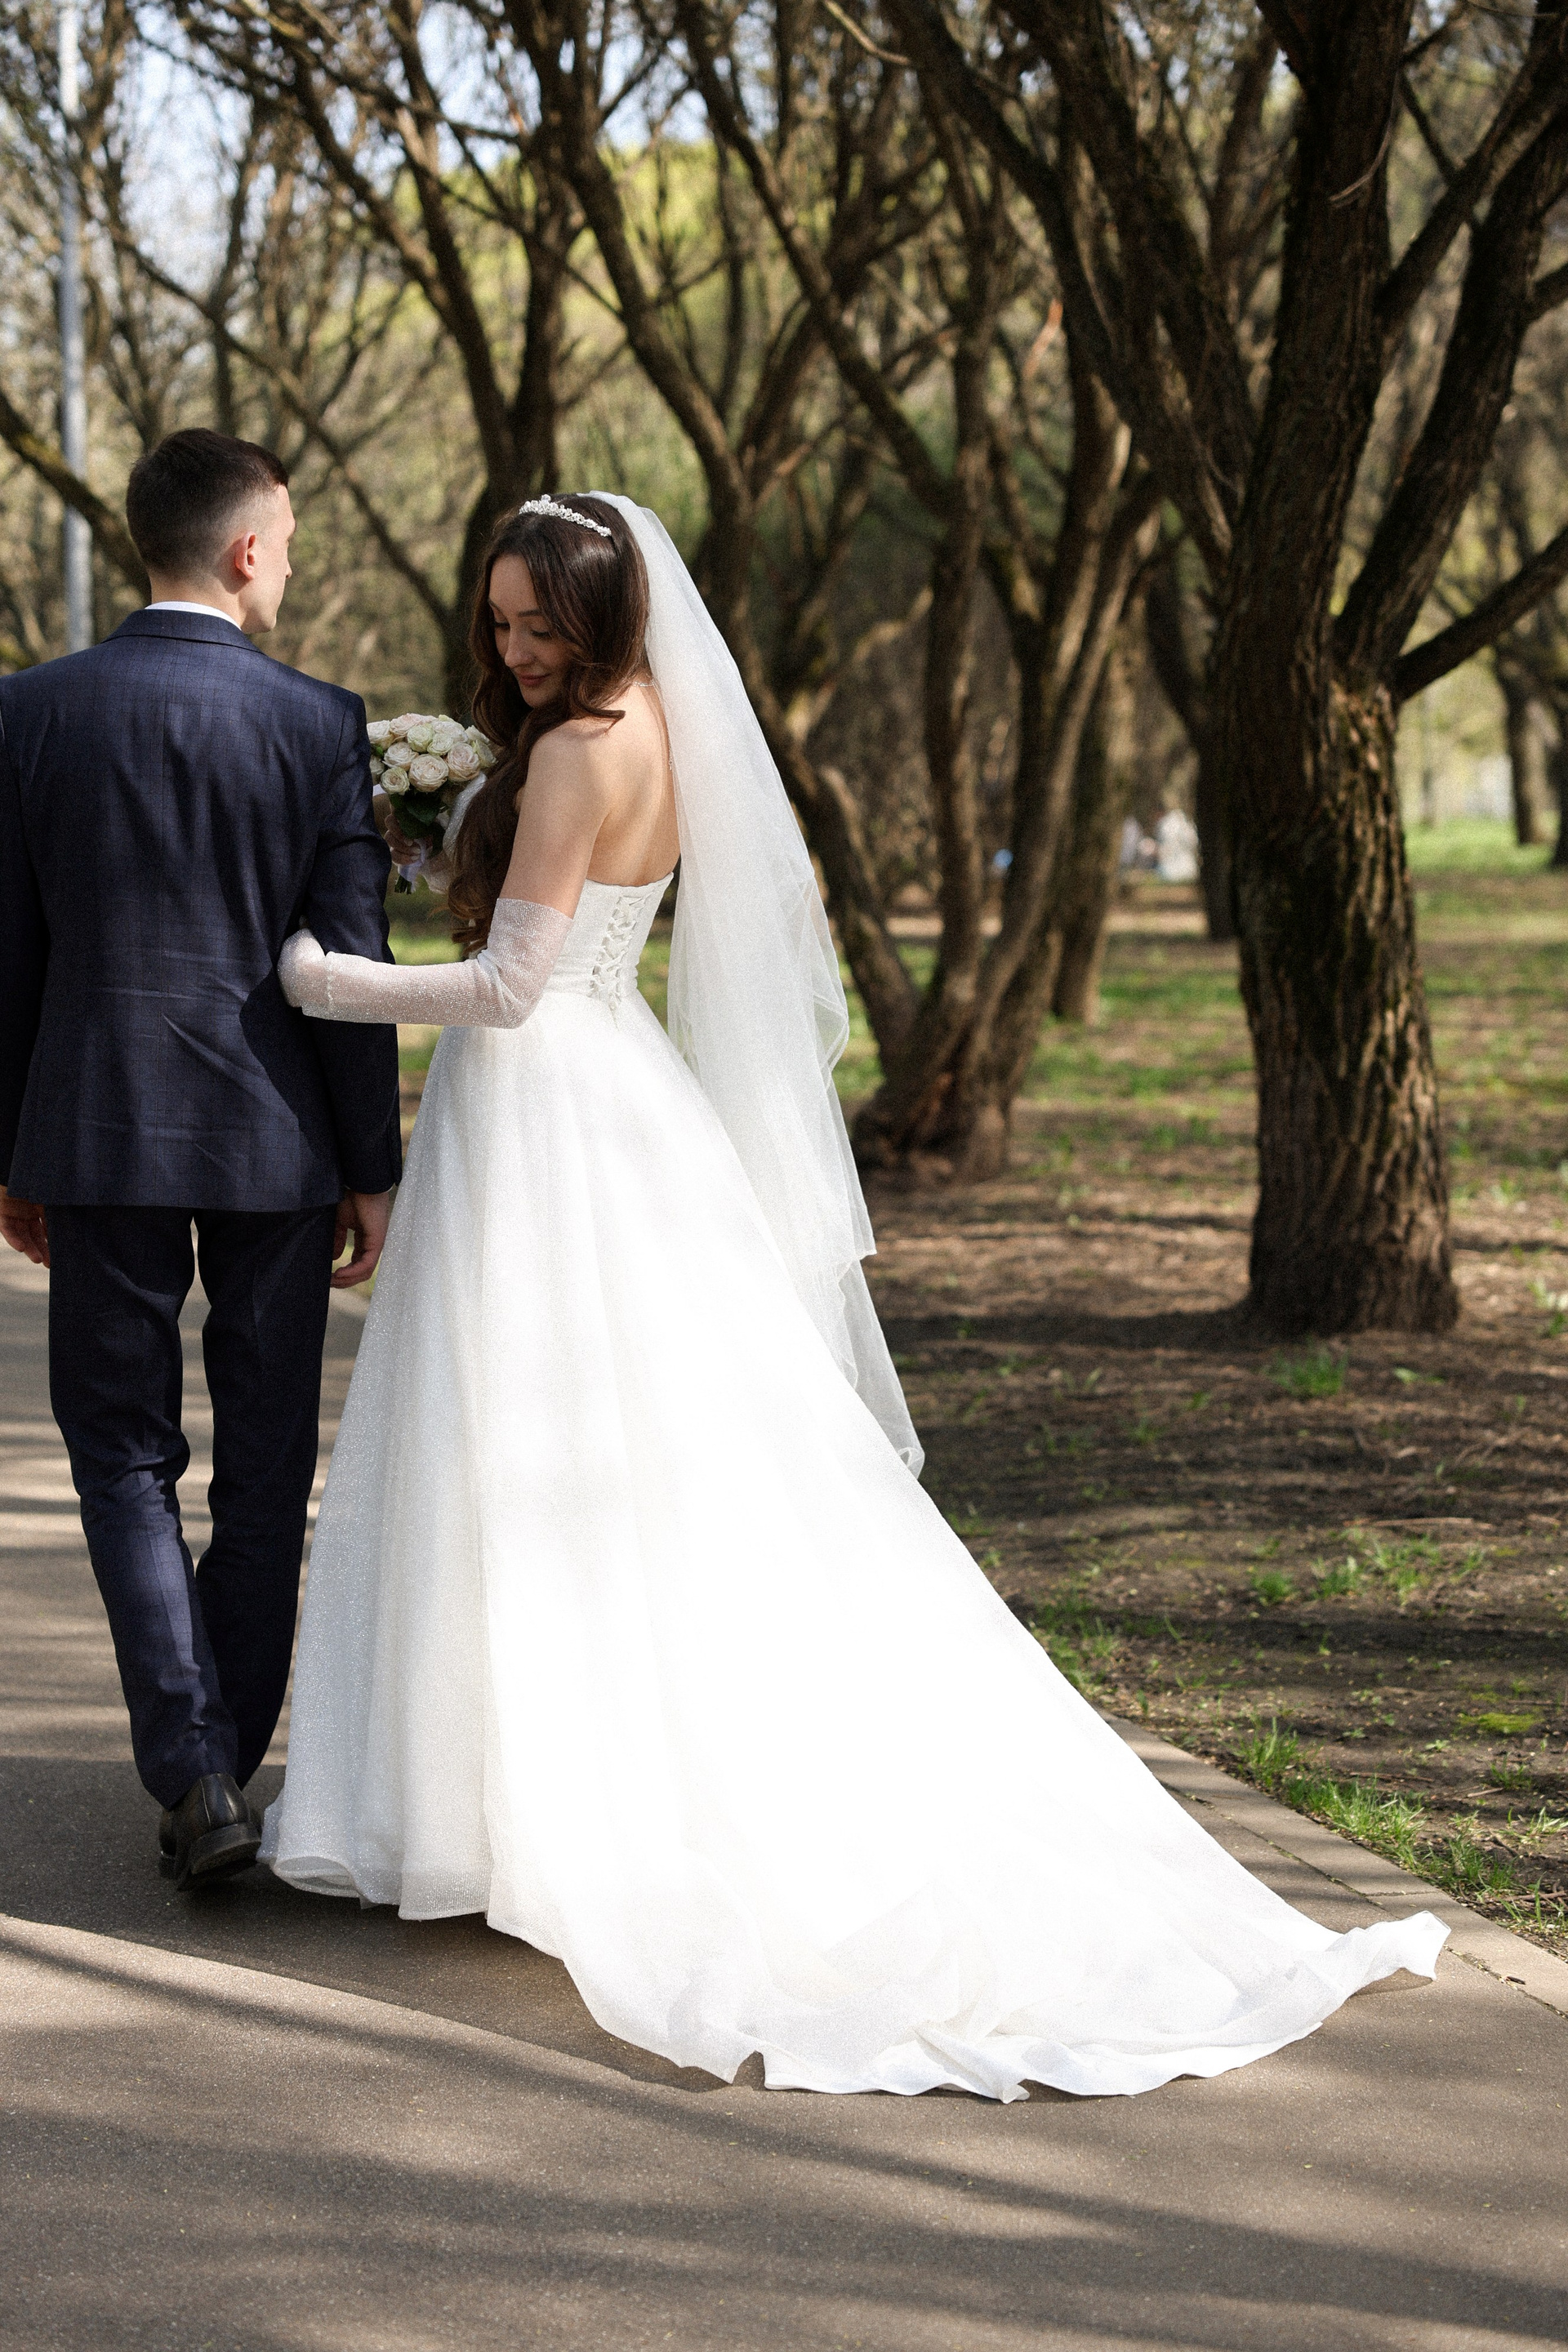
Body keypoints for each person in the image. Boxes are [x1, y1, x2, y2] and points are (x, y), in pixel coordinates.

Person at [263, 492, 1446, 2102]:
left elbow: (512, 986)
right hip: (622, 1101)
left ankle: (542, 1805)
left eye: (542, 623)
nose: (517, 647)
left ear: (608, 617)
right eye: (503, 622)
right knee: (626, 1455)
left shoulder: (575, 753)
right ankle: (539, 1795)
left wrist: (325, 983)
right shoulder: (661, 726)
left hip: (542, 1110)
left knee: (521, 1437)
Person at [0, 430, 402, 1890]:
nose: (288, 565)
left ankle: (196, 1767)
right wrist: (372, 1164)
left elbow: (8, 957)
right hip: (276, 1144)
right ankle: (218, 1761)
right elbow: (350, 960)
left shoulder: (30, 710)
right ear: (243, 551)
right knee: (267, 1456)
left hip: (96, 1127)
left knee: (121, 1452)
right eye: (285, 543)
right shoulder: (319, 722)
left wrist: (12, 1150)